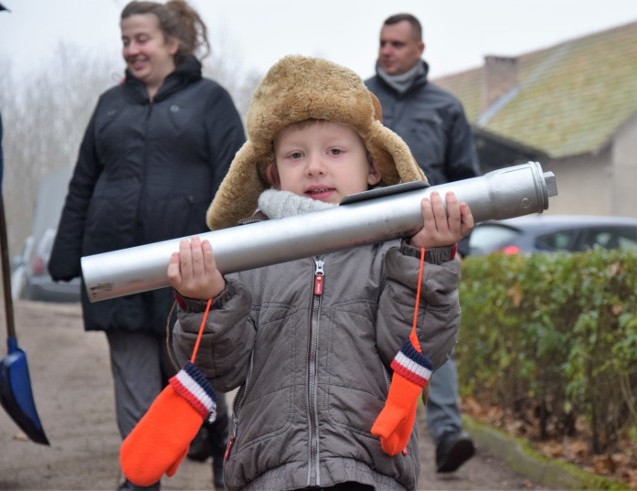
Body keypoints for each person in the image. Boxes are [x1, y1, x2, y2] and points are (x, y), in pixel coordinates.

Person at [168, 55, 474, 491]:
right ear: (273, 173)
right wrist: (206, 303)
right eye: (296, 155)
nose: (314, 166)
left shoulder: (394, 249)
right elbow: (220, 371)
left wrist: (429, 260)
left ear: (372, 166)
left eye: (334, 151)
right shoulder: (244, 253)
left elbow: (417, 349)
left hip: (369, 471)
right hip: (268, 473)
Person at [47, 1, 245, 489]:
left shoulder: (211, 100)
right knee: (133, 383)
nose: (132, 50)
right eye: (126, 41)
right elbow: (84, 181)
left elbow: (234, 181)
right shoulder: (109, 105)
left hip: (187, 265)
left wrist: (239, 250)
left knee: (187, 373)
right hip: (117, 264)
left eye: (142, 39)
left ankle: (218, 434)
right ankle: (139, 479)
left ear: (171, 43)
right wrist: (66, 250)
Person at [365, 13, 482, 474]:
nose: (387, 50)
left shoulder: (445, 107)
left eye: (397, 43)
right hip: (364, 244)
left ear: (419, 49)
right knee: (369, 340)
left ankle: (448, 432)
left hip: (426, 243)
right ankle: (378, 434)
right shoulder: (360, 102)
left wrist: (455, 245)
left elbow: (466, 179)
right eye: (382, 42)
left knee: (426, 338)